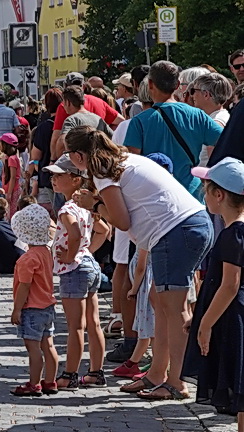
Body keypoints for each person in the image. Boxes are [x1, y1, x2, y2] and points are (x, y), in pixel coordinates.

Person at [66, 125, 211, 400]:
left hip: (176, 232)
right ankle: (158, 374)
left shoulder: (104, 172)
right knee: (159, 301)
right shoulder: (120, 161)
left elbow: (122, 222)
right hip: (186, 226)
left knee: (174, 309)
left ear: (78, 156)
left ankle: (177, 382)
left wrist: (92, 205)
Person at [189, 159, 244, 432]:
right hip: (234, 314)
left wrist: (205, 324)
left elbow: (229, 284)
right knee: (240, 400)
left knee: (241, 396)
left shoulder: (231, 234)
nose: (203, 193)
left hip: (233, 317)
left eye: (206, 188)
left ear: (219, 194)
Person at [49, 157, 108, 389]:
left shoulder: (66, 208)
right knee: (93, 323)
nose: (53, 180)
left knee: (75, 326)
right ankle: (96, 372)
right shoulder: (85, 206)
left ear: (75, 179)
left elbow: (73, 233)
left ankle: (70, 374)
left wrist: (73, 255)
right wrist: (87, 252)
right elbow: (103, 230)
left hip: (74, 270)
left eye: (59, 176)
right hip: (89, 266)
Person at [127, 60, 222, 196]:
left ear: (150, 84)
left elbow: (132, 163)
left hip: (156, 194)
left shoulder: (139, 122)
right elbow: (225, 142)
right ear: (177, 85)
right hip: (191, 192)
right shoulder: (197, 115)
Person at [7, 204, 59, 396]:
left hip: (32, 307)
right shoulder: (46, 252)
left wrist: (17, 309)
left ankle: (34, 383)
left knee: (33, 348)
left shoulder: (27, 259)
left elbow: (25, 286)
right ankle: (50, 381)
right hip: (48, 306)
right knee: (49, 345)